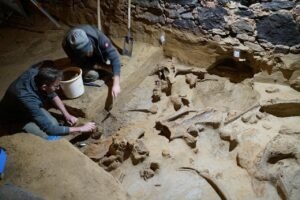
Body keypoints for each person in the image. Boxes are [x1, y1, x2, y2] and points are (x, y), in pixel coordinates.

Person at [0, 60, 96, 139]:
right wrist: (81, 129)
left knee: (54, 123)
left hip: (26, 108)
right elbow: (49, 129)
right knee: (49, 136)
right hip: (15, 119)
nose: (59, 88)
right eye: (56, 86)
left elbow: (52, 94)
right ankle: (13, 130)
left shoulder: (37, 73)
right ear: (44, 87)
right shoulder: (27, 99)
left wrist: (67, 115)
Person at [62, 24, 121, 98]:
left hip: (96, 50)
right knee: (93, 75)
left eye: (88, 51)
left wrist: (116, 84)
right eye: (84, 52)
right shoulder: (67, 45)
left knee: (113, 65)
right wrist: (99, 66)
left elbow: (114, 58)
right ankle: (90, 73)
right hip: (83, 60)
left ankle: (98, 62)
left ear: (90, 42)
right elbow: (79, 62)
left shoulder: (100, 38)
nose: (87, 54)